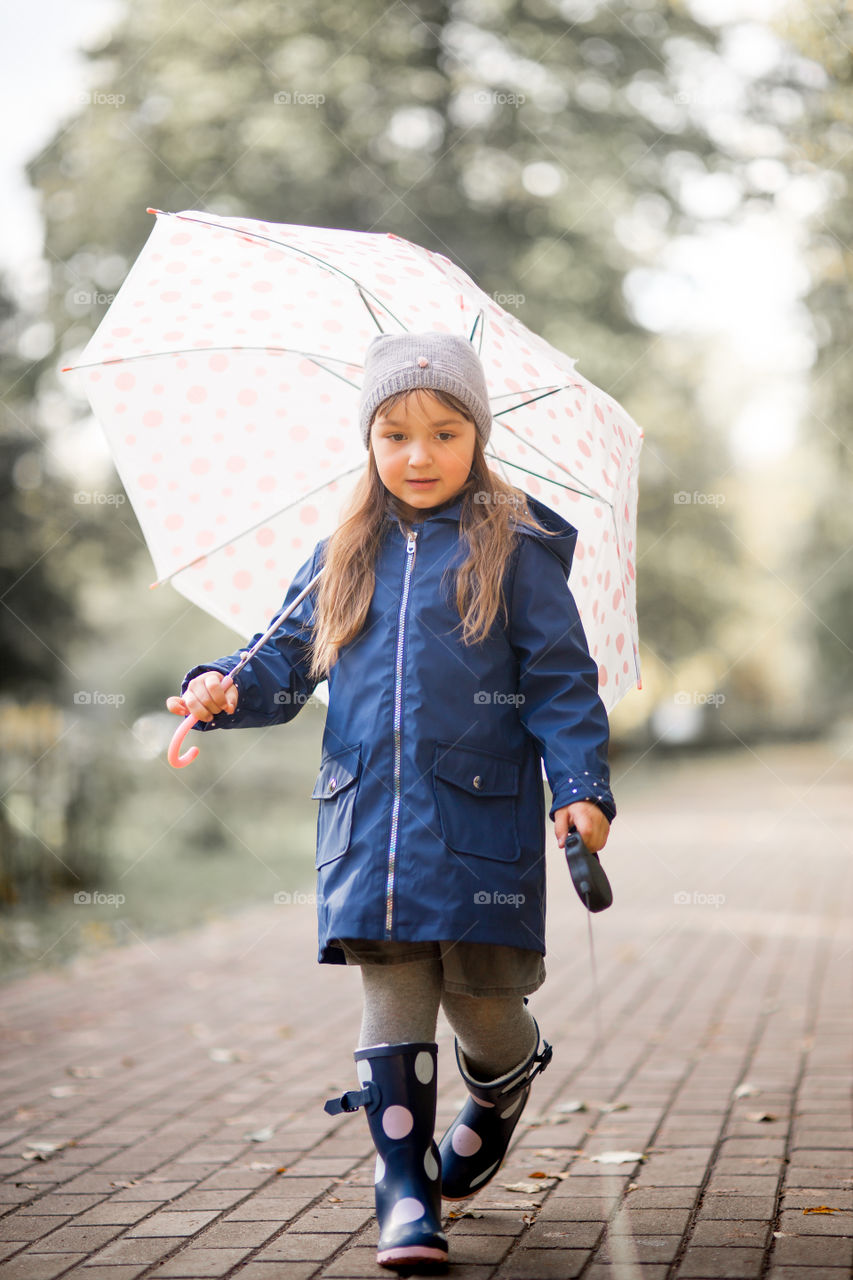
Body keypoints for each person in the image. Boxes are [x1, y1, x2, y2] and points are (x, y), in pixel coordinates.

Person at [167, 331, 616, 1271]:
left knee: (482, 1004)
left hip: (480, 818)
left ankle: (503, 1082)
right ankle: (403, 1188)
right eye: (395, 434)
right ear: (367, 443)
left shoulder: (517, 546)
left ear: (476, 438)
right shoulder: (343, 553)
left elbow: (562, 683)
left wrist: (577, 788)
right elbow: (279, 666)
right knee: (396, 984)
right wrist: (220, 685)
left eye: (445, 433)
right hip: (369, 819)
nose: (418, 455)